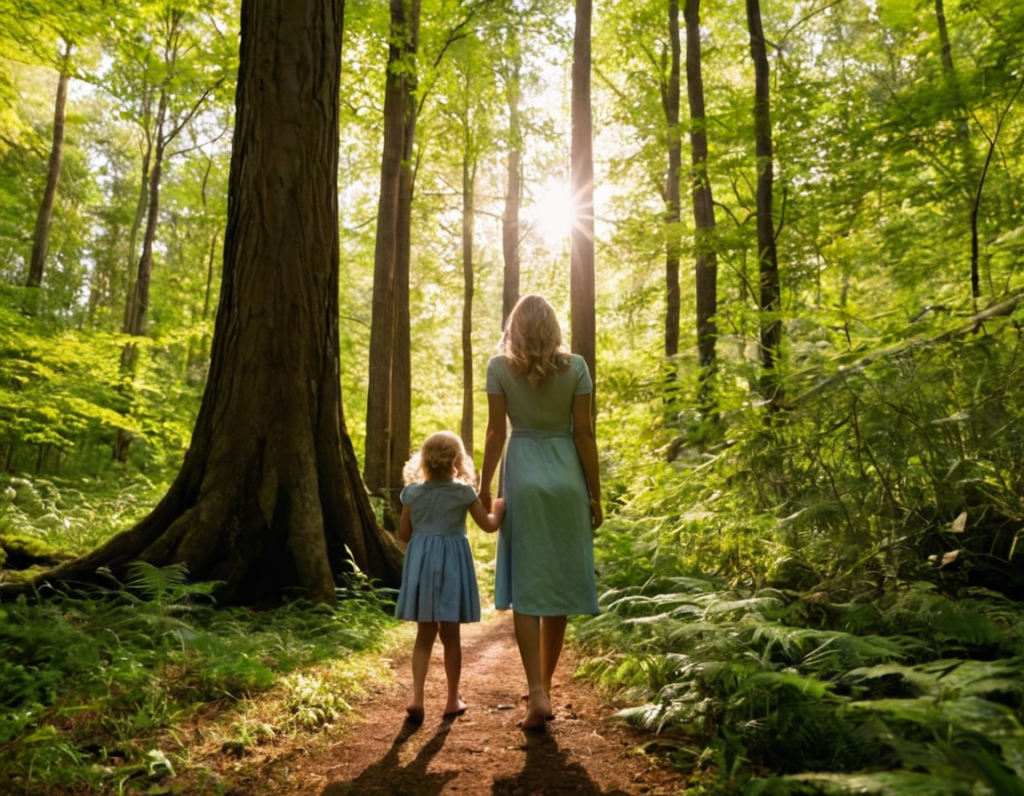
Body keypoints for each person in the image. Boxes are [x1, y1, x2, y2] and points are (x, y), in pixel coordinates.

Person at [480, 294, 602, 731]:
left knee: (528, 587)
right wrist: (595, 493)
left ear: (515, 326)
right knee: (558, 587)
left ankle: (536, 691)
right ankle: (546, 688)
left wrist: (483, 486)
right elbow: (584, 434)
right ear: (553, 326)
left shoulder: (499, 368)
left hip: (524, 478)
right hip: (567, 479)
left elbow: (496, 432)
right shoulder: (578, 367)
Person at [395, 430, 506, 725]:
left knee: (424, 635)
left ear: (424, 461)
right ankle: (451, 699)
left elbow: (404, 534)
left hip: (422, 564)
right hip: (453, 567)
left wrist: (422, 538)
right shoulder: (463, 493)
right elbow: (489, 526)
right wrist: (499, 508)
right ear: (457, 460)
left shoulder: (412, 493)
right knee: (451, 637)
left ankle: (417, 698)